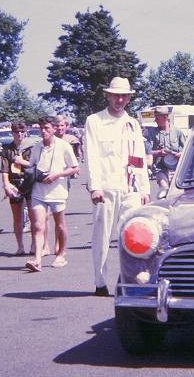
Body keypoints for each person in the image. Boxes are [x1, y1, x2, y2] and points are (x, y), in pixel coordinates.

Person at [84, 77, 150, 296]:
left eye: (123, 96)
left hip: (130, 189)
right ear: (108, 96)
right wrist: (95, 186)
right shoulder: (95, 121)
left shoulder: (132, 123)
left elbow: (139, 157)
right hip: (106, 188)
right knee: (102, 237)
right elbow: (92, 156)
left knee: (133, 235)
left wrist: (144, 189)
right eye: (115, 96)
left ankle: (131, 280)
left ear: (129, 98)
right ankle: (100, 282)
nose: (119, 100)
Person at [24, 116, 80, 272]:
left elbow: (75, 168)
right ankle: (37, 260)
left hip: (57, 192)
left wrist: (57, 175)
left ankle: (61, 254)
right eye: (41, 128)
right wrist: (33, 174)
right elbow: (31, 166)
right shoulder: (37, 147)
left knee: (60, 225)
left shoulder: (64, 146)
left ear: (54, 129)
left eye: (47, 128)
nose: (43, 131)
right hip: (38, 191)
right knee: (37, 225)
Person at [0, 121, 32, 256]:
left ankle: (34, 246)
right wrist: (6, 185)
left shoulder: (31, 148)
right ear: (12, 133)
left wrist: (22, 162)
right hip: (15, 182)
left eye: (22, 132)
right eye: (16, 132)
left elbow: (36, 165)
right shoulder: (7, 149)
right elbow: (4, 170)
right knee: (17, 217)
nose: (19, 134)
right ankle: (20, 246)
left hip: (29, 182)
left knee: (34, 216)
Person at [147, 106, 187, 196]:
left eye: (157, 118)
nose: (155, 120)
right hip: (160, 169)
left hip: (176, 169)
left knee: (176, 193)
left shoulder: (177, 132)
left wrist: (180, 154)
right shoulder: (152, 133)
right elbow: (148, 152)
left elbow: (186, 150)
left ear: (165, 117)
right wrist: (158, 153)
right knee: (164, 190)